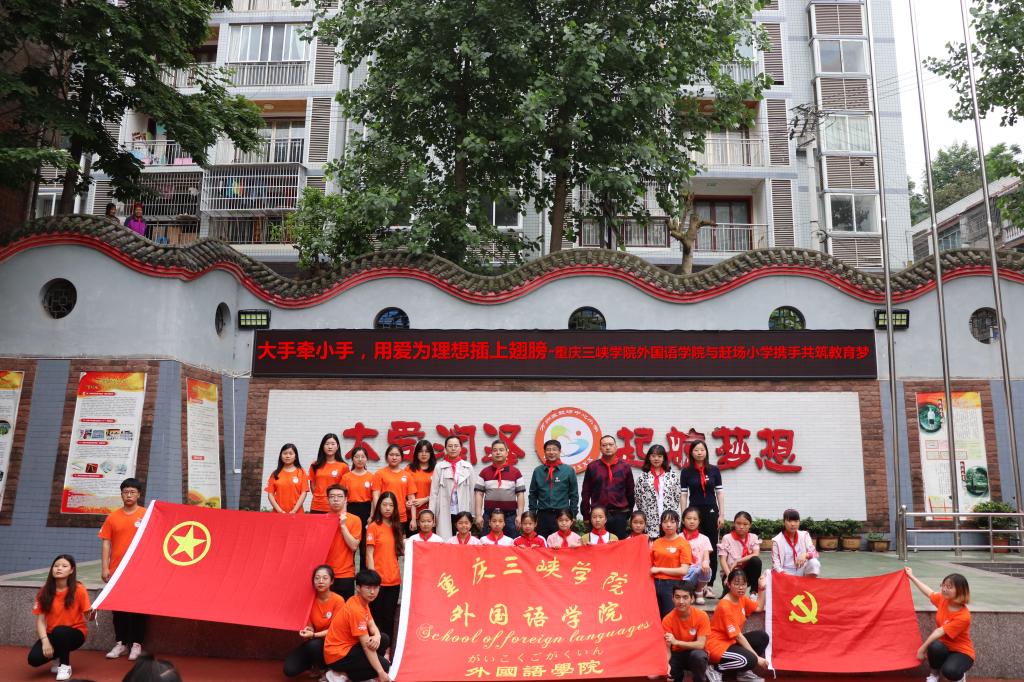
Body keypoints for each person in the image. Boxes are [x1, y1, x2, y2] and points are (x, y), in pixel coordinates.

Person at [99, 477, 147, 661]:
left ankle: (136, 644)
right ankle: (121, 643)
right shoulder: (113, 517)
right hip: (117, 570)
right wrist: (105, 568)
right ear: (121, 494)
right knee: (118, 609)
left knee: (138, 608)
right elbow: (106, 543)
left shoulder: (146, 514)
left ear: (138, 494)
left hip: (139, 570)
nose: (129, 495)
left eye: (132, 492)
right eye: (125, 492)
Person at [28, 554, 91, 681]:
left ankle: (65, 666)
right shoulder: (44, 591)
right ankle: (57, 656)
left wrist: (93, 613)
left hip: (76, 633)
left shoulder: (79, 589)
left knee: (60, 631)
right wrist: (45, 641)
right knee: (33, 659)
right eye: (56, 566)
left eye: (64, 566)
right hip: (53, 634)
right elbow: (40, 621)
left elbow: (89, 617)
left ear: (71, 570)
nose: (59, 568)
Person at [905, 567, 975, 682]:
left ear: (960, 590)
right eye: (943, 585)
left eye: (949, 587)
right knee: (935, 646)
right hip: (943, 647)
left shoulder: (963, 616)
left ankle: (960, 676)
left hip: (961, 651)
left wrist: (922, 649)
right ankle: (934, 674)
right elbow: (928, 592)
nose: (944, 589)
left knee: (950, 671)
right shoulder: (943, 600)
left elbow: (939, 631)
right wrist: (911, 576)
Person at [323, 569, 392, 682]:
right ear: (358, 588)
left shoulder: (360, 601)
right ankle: (339, 674)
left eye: (376, 587)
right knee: (384, 666)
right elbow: (366, 647)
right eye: (368, 588)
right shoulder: (356, 610)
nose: (372, 592)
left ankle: (357, 671)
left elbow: (371, 624)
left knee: (383, 639)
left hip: (349, 647)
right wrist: (381, 672)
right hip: (337, 656)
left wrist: (377, 636)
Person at [704, 568, 768, 682]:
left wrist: (761, 588)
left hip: (731, 642)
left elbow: (758, 607)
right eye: (737, 584)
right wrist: (757, 658)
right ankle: (714, 669)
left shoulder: (741, 598)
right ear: (729, 585)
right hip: (717, 646)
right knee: (750, 660)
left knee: (762, 637)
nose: (741, 587)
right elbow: (738, 636)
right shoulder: (725, 606)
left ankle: (742, 672)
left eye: (743, 584)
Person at [283, 565, 345, 678]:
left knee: (314, 644)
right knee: (289, 670)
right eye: (317, 578)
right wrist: (308, 630)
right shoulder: (309, 600)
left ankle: (325, 669)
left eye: (325, 578)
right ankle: (315, 664)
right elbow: (310, 626)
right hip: (314, 643)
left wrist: (314, 635)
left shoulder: (338, 600)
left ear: (332, 581)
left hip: (332, 644)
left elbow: (335, 630)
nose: (320, 581)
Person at [680, 440, 725, 593]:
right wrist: (684, 514)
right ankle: (692, 582)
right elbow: (683, 494)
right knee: (692, 546)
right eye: (696, 450)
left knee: (710, 547)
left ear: (706, 452)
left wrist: (722, 514)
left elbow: (719, 493)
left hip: (711, 510)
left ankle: (709, 585)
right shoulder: (686, 472)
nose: (699, 452)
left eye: (702, 450)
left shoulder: (714, 470)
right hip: (694, 512)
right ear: (691, 453)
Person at [365, 492, 404, 650]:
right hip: (377, 581)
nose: (387, 508)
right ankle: (374, 650)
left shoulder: (396, 527)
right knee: (375, 617)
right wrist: (373, 579)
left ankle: (387, 650)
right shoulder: (373, 526)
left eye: (391, 505)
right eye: (384, 504)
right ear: (379, 506)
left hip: (394, 580)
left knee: (389, 617)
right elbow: (369, 554)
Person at [580, 435, 635, 538]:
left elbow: (630, 491)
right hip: (598, 516)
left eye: (611, 444)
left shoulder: (625, 467)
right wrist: (586, 515)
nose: (608, 447)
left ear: (616, 447)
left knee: (618, 545)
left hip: (619, 514)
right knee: (598, 544)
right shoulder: (592, 467)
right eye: (604, 445)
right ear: (600, 448)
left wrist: (628, 512)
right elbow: (586, 492)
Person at [651, 509, 698, 617]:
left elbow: (684, 570)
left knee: (669, 616)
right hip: (654, 584)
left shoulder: (683, 544)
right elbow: (650, 564)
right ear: (661, 524)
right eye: (665, 522)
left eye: (672, 522)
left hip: (672, 585)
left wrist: (659, 569)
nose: (668, 525)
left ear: (678, 523)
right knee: (654, 617)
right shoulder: (656, 542)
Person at [474, 440, 525, 539]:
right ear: (491, 453)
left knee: (511, 543)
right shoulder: (484, 472)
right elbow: (479, 494)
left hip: (510, 516)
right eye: (495, 450)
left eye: (501, 450)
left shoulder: (516, 472)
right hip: (489, 516)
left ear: (507, 452)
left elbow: (520, 495)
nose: (498, 453)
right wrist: (478, 515)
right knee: (486, 543)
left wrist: (520, 515)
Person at [529, 440, 579, 537]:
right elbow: (533, 494)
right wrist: (533, 514)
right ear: (544, 452)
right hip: (543, 515)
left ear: (560, 452)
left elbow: (574, 495)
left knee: (561, 543)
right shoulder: (538, 471)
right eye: (548, 450)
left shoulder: (568, 470)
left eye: (554, 449)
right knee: (542, 543)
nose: (551, 452)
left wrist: (573, 514)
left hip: (562, 515)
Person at [429, 435, 476, 539]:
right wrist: (431, 514)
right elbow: (434, 493)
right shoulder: (439, 467)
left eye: (456, 446)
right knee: (445, 539)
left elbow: (473, 492)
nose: (453, 448)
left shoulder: (468, 467)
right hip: (444, 510)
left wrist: (474, 513)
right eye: (450, 446)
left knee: (462, 538)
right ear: (445, 448)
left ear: (461, 448)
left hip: (463, 509)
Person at [662, 584, 711, 682]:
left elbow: (701, 644)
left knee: (698, 656)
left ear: (692, 599)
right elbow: (667, 649)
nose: (681, 601)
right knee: (669, 676)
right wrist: (666, 665)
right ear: (672, 598)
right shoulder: (667, 620)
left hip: (696, 652)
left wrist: (676, 642)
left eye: (685, 597)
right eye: (677, 597)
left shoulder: (702, 616)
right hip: (677, 654)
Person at [635, 444, 684, 541]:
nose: (656, 459)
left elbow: (677, 496)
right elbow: (638, 499)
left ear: (664, 458)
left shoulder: (672, 476)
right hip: (650, 519)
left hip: (669, 519)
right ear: (649, 458)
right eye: (653, 456)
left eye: (659, 456)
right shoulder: (642, 477)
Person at [325, 484, 363, 599]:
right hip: (325, 574)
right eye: (332, 496)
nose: (335, 499)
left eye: (339, 496)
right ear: (328, 499)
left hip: (346, 574)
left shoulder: (355, 519)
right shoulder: (322, 520)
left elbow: (354, 546)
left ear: (346, 499)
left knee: (345, 608)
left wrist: (343, 526)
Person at [342, 447, 374, 569]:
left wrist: (372, 516)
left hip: (367, 511)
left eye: (363, 457)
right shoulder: (346, 477)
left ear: (367, 459)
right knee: (350, 546)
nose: (360, 459)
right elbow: (344, 498)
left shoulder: (371, 477)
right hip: (351, 510)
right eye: (357, 457)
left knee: (365, 546)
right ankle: (349, 573)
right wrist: (344, 515)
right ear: (352, 459)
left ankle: (364, 576)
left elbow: (374, 499)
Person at [717, 512, 761, 599]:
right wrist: (729, 576)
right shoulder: (727, 538)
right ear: (734, 523)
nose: (741, 527)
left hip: (746, 573)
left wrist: (738, 561)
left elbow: (756, 554)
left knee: (756, 561)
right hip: (731, 572)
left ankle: (754, 592)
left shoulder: (753, 537)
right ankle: (726, 591)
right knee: (730, 599)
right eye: (738, 523)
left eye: (745, 524)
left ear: (750, 525)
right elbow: (722, 560)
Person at [373, 445, 416, 528]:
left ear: (401, 457)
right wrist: (378, 514)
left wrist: (413, 519)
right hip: (384, 516)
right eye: (391, 455)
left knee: (400, 537)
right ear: (386, 457)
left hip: (401, 516)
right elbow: (376, 496)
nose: (394, 458)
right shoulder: (379, 474)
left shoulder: (407, 475)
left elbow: (412, 498)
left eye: (397, 455)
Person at [771, 508, 820, 578]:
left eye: (796, 521)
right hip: (785, 572)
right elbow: (775, 565)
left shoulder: (804, 535)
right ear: (784, 522)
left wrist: (805, 555)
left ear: (799, 522)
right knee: (767, 576)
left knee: (814, 563)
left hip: (801, 570)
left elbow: (816, 554)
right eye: (789, 521)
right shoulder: (777, 540)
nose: (793, 524)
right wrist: (784, 574)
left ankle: (807, 583)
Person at [309, 434, 349, 514]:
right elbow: (312, 485)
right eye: (327, 444)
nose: (330, 447)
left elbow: (344, 489)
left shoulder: (343, 466)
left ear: (337, 447)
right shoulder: (315, 465)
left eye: (333, 444)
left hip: (335, 506)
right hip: (317, 505)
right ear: (322, 446)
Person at [682, 507, 715, 604]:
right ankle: (689, 593)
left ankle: (699, 591)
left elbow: (706, 555)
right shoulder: (678, 537)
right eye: (689, 518)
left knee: (706, 569)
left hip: (698, 571)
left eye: (695, 519)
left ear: (699, 521)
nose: (692, 521)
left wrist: (706, 563)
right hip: (683, 572)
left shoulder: (704, 538)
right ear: (683, 521)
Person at [266, 443, 308, 514]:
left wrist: (294, 510)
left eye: (291, 454)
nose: (287, 456)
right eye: (285, 453)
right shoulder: (275, 474)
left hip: (297, 513)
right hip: (278, 513)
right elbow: (270, 494)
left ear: (295, 457)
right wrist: (279, 511)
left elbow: (304, 493)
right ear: (281, 456)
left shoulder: (301, 472)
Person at [405, 440, 436, 531]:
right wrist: (406, 502)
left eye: (427, 451)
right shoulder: (408, 469)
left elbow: (440, 493)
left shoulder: (436, 469)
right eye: (420, 451)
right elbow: (403, 490)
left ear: (431, 454)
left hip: (430, 514)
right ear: (416, 453)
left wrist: (425, 499)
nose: (424, 454)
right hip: (412, 514)